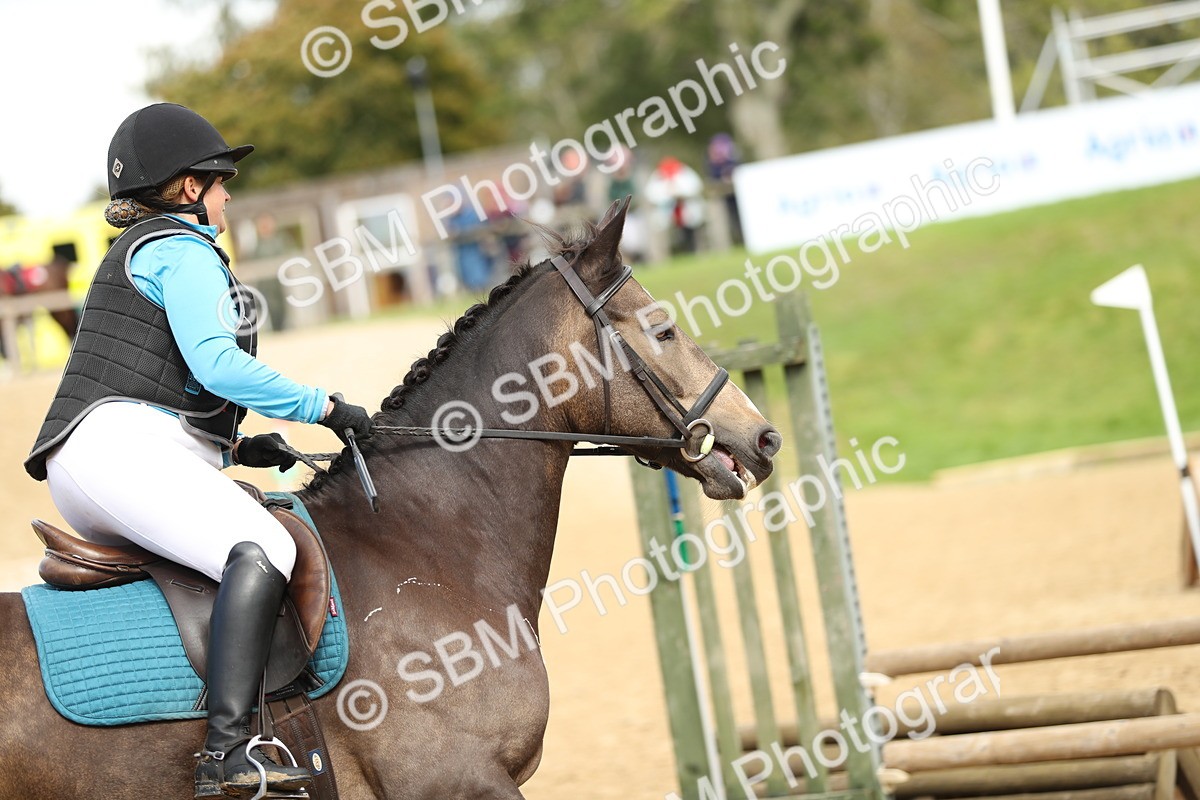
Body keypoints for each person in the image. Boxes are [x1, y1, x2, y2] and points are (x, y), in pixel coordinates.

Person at [22, 103, 374, 798]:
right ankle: (228, 753)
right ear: (188, 188)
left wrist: (240, 445)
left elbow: (157, 389)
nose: (227, 194)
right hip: (114, 455)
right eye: (219, 181)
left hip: (111, 453)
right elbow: (217, 367)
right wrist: (324, 407)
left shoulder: (142, 251)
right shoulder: (181, 251)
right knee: (265, 548)